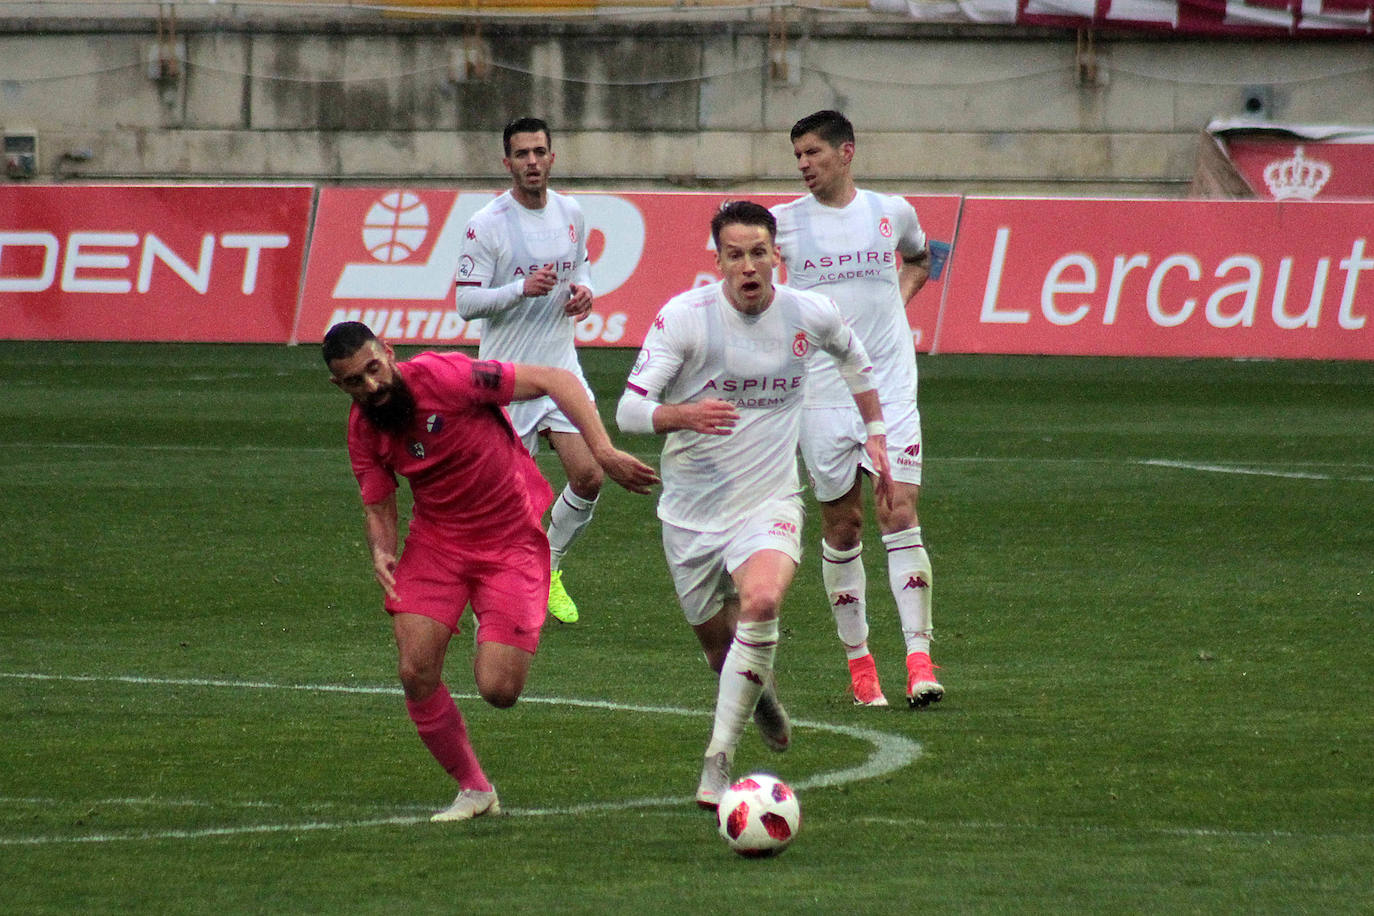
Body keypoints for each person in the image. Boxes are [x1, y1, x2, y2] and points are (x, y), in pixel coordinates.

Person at [322, 321, 658, 822]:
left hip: (509, 541)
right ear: (339, 386)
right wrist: (382, 550)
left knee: (499, 691)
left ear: (389, 353)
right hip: (437, 544)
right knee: (415, 671)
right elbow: (378, 503)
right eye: (354, 382)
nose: (370, 387)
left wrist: (604, 453)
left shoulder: (446, 376)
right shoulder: (362, 428)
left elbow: (553, 380)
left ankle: (502, 611)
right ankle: (475, 790)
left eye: (374, 369)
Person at [616, 201, 893, 808]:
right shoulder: (685, 319)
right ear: (717, 261)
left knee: (763, 601)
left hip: (768, 501)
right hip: (689, 514)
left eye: (758, 253)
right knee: (722, 651)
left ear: (777, 256)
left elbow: (855, 359)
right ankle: (758, 691)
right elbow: (629, 410)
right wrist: (681, 415)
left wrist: (875, 429)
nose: (748, 266)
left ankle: (718, 760)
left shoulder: (808, 312)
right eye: (735, 255)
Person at [770, 109, 945, 710]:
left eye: (813, 153)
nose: (803, 166)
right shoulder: (782, 225)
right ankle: (859, 663)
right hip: (821, 391)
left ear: (846, 152)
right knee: (843, 524)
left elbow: (922, 258)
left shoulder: (890, 213)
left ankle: (920, 660)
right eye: (797, 156)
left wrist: (897, 304)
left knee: (898, 508)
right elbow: (745, 277)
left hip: (891, 385)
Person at [454, 116, 600, 625]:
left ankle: (550, 566)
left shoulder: (571, 212)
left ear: (552, 157)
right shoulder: (487, 223)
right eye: (522, 154)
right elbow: (466, 303)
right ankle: (490, 595)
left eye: (540, 152)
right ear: (507, 162)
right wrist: (521, 289)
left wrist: (585, 291)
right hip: (507, 380)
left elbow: (580, 265)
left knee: (589, 474)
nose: (532, 162)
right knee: (505, 503)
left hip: (561, 370)